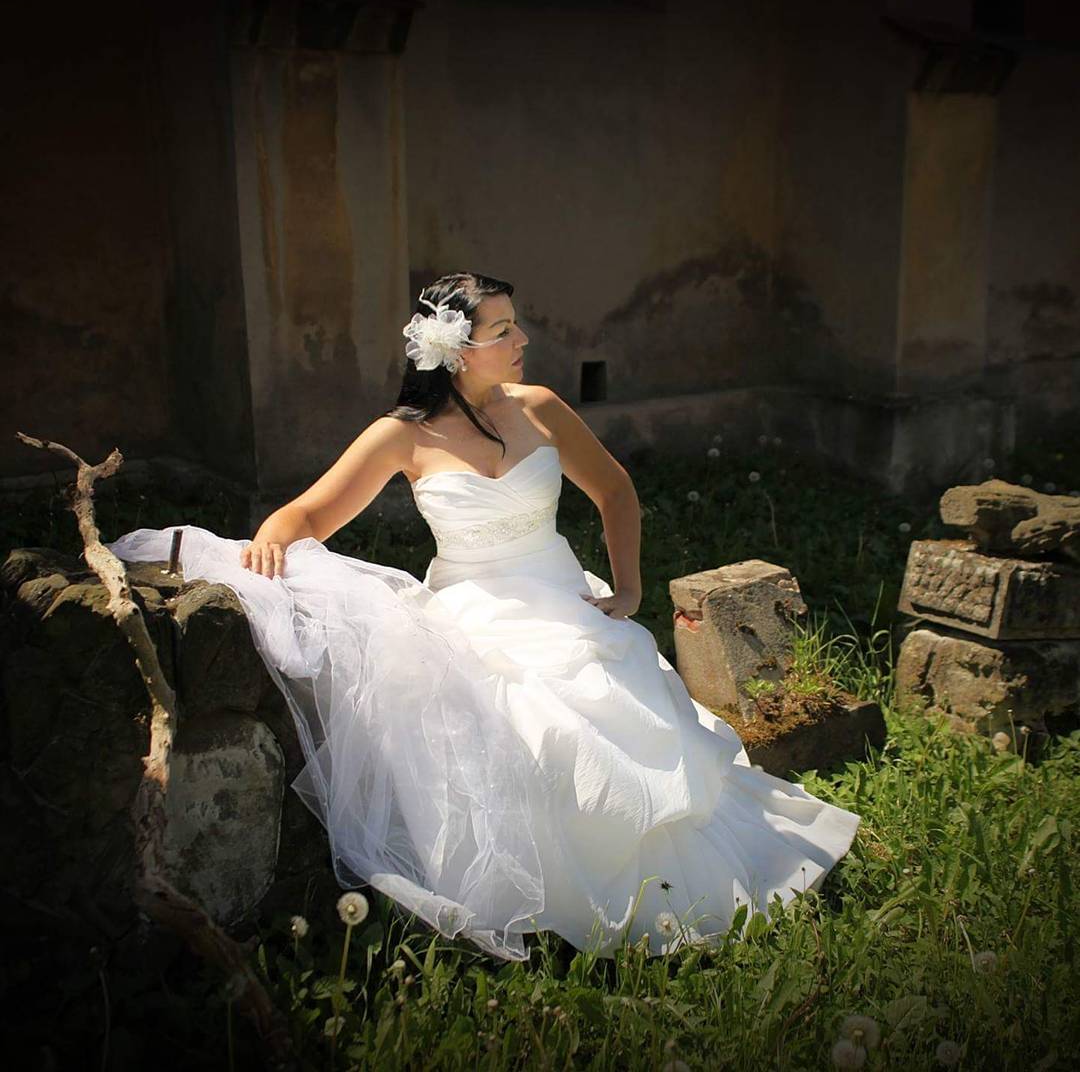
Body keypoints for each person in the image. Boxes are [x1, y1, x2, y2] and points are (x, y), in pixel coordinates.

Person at [109, 271, 860, 962]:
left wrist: (629, 591)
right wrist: (274, 537)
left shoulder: (540, 408)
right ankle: (536, 891)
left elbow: (616, 492)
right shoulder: (402, 434)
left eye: (515, 325)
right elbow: (307, 514)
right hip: (471, 610)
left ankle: (649, 883)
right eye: (503, 330)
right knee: (528, 726)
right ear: (457, 350)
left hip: (561, 597)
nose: (522, 339)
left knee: (611, 722)